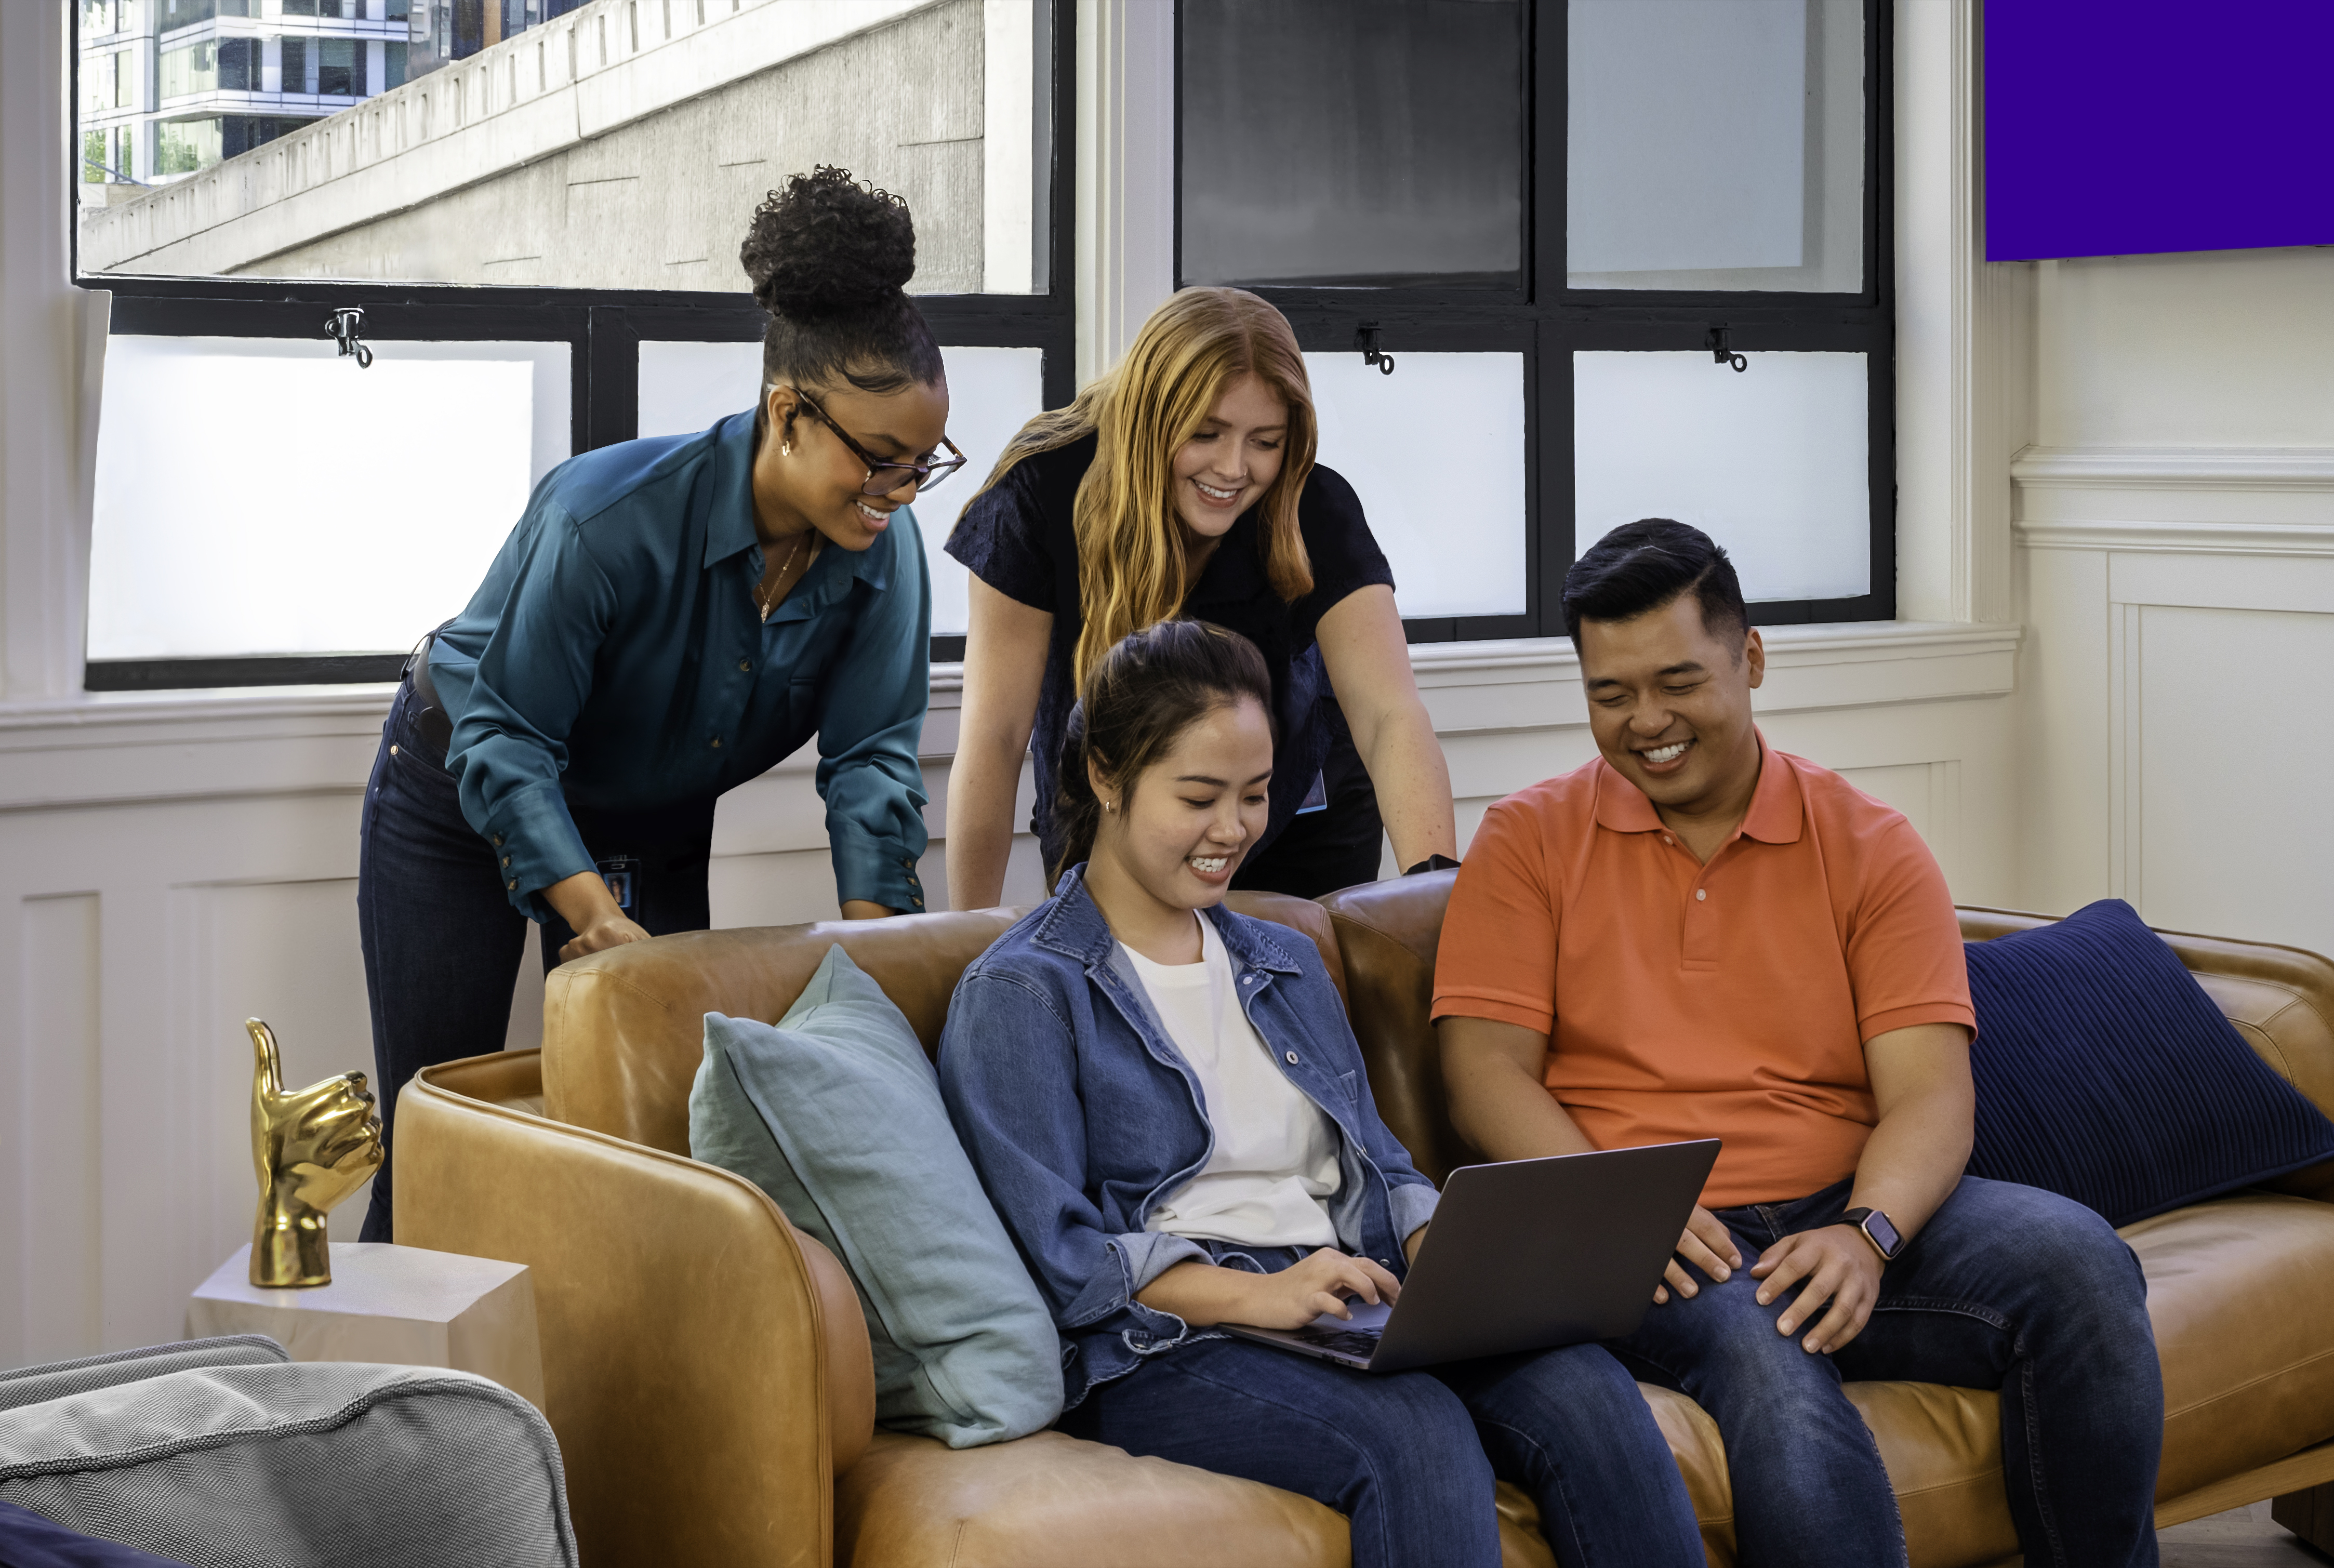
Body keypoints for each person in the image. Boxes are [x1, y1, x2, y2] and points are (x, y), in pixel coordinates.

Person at [1433, 520, 2165, 1567]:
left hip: (1840, 1206)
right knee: (1765, 1356)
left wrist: (1866, 1235)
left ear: (1752, 659)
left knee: (2082, 1266)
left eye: (1677, 680)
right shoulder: (1525, 840)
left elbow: (1927, 1095)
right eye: (1609, 693)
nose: (1645, 722)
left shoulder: (1867, 843)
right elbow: (1480, 1072)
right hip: (1648, 1231)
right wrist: (1614, 1205)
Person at [937, 619, 1704, 1568]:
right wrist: (1260, 1296)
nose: (1233, 830)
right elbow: (1058, 1255)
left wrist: (1459, 1259)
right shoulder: (1024, 990)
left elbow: (1379, 1165)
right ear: (1104, 775)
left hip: (1342, 1296)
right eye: (1199, 795)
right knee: (1413, 1431)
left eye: (1255, 795)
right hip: (1171, 1341)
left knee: (1589, 1393)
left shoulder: (1283, 962)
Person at [355, 167, 956, 1242]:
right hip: (461, 794)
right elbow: (506, 735)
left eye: (922, 465)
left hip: (651, 824)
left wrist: (878, 957)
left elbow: (870, 763)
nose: (899, 492)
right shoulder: (605, 517)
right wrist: (589, 914)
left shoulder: (882, 554)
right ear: (788, 413)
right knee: (438, 1139)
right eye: (877, 460)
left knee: (655, 1155)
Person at [943, 286, 1456, 908]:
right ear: (1148, 418)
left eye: (1264, 442)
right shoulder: (1040, 495)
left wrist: (1434, 901)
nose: (1233, 468)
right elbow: (995, 739)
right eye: (1206, 434)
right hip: (1113, 818)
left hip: (1296, 826)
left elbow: (1389, 715)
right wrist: (967, 938)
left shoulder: (1312, 504)